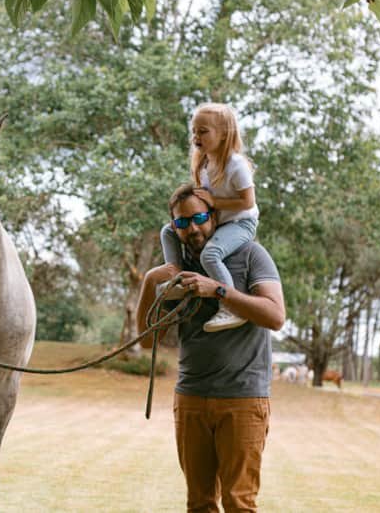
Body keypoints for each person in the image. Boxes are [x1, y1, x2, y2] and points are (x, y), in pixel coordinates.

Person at [138, 183, 285, 513]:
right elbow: (148, 340)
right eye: (182, 223)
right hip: (191, 396)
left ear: (215, 216)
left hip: (243, 398)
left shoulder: (250, 254)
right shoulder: (178, 269)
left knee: (239, 503)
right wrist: (150, 282)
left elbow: (275, 316)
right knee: (199, 504)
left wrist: (218, 290)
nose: (192, 228)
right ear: (173, 228)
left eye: (200, 217)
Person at [160, 103, 259, 332]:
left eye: (203, 131)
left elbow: (248, 202)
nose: (196, 136)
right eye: (194, 131)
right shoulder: (204, 164)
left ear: (224, 133)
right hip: (220, 219)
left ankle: (230, 305)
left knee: (211, 254)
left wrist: (215, 204)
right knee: (168, 230)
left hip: (240, 222)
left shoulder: (235, 165)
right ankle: (174, 276)